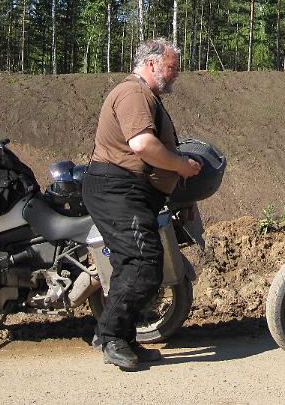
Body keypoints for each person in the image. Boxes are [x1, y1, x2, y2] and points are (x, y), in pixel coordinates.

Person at [82, 38, 201, 370]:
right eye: (171, 67)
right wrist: (179, 165)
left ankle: (123, 338)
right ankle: (111, 337)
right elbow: (143, 144)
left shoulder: (147, 96)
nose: (176, 74)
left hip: (127, 190)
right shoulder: (134, 93)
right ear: (151, 64)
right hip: (117, 189)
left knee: (132, 265)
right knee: (143, 263)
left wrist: (179, 161)